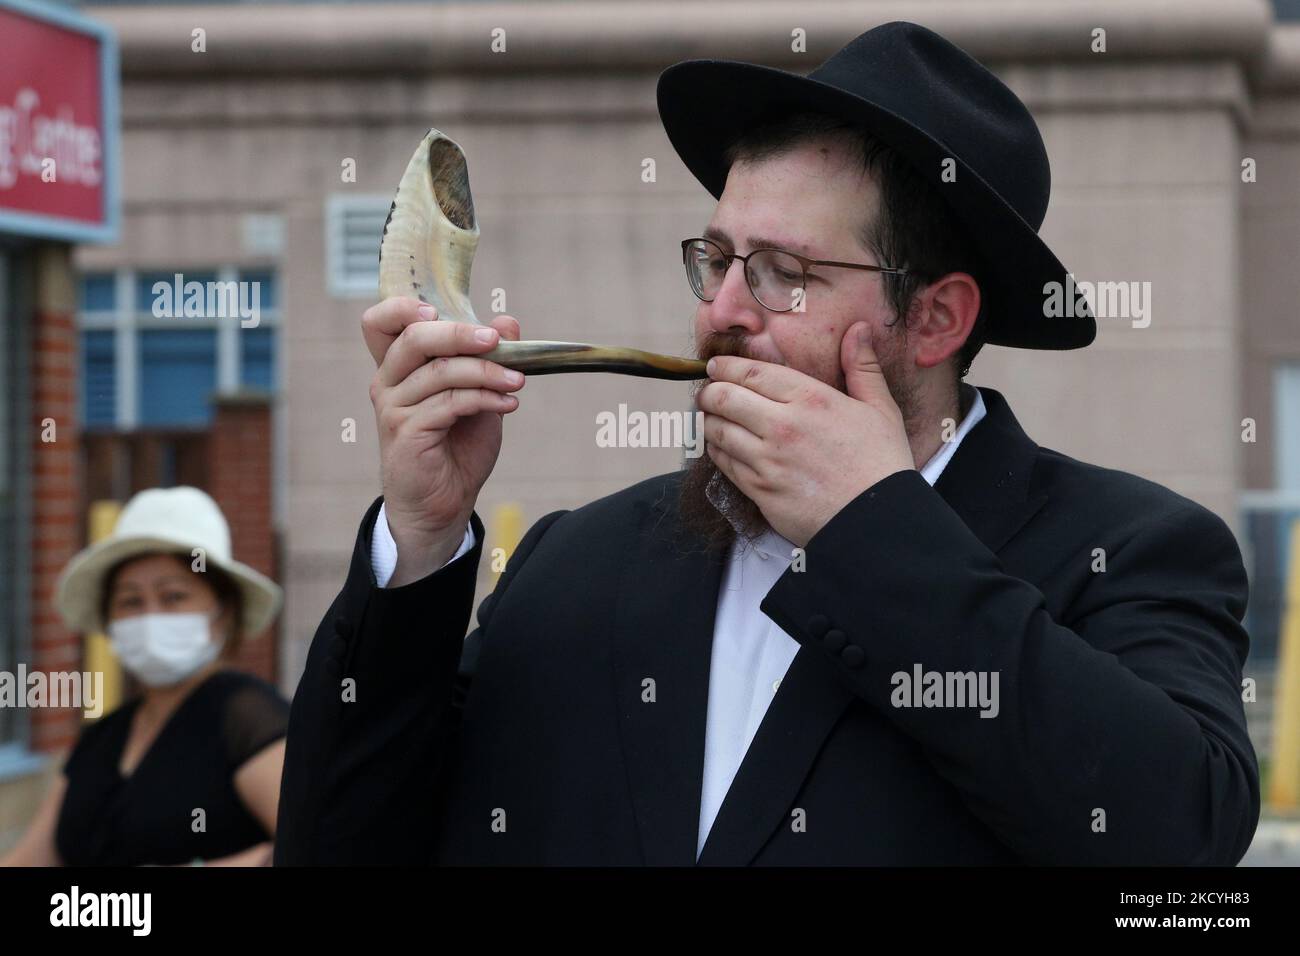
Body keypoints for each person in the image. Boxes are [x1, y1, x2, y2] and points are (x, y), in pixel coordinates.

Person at [276, 21, 1259, 865]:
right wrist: (420, 538)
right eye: (716, 259)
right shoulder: (579, 562)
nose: (723, 310)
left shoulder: (1125, 548)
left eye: (784, 272)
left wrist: (872, 530)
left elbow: (1174, 840)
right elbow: (345, 845)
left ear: (934, 320)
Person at [1, 486, 288, 867]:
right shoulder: (102, 738)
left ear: (223, 610)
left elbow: (317, 842)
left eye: (173, 597)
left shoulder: (247, 718)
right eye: (130, 601)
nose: (150, 615)